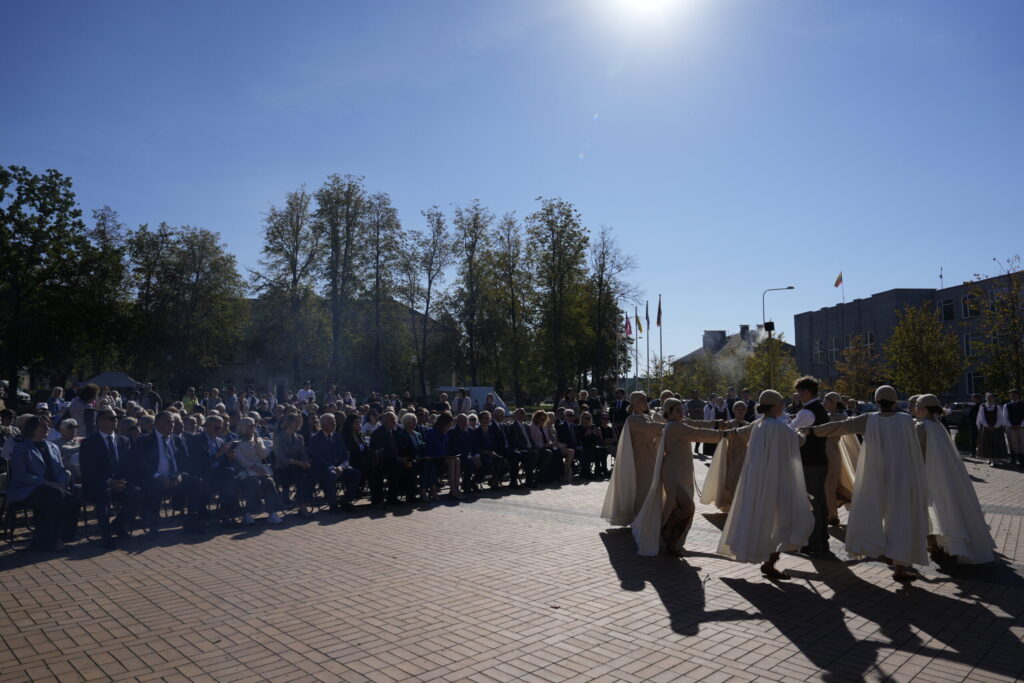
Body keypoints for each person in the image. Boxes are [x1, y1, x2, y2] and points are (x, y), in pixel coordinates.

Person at [810, 385, 929, 583]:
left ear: (876, 401)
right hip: (902, 477)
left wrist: (813, 431)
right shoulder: (907, 420)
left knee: (870, 511)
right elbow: (920, 445)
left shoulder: (869, 419)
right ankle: (899, 564)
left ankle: (876, 547)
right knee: (901, 518)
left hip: (874, 475)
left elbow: (841, 427)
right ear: (895, 401)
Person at [717, 391, 814, 580]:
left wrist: (731, 431)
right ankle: (770, 562)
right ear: (774, 406)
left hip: (759, 481)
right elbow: (799, 441)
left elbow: (741, 432)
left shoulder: (758, 424)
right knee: (788, 519)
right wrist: (802, 431)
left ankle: (768, 560)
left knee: (768, 519)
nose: (783, 406)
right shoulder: (779, 426)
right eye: (781, 403)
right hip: (778, 481)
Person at [633, 398, 722, 556]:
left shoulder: (675, 425)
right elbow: (699, 434)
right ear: (669, 412)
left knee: (679, 507)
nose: (682, 413)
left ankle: (672, 540)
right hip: (673, 472)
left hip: (679, 470)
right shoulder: (674, 427)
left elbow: (695, 425)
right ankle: (666, 530)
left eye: (683, 409)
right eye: (678, 410)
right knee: (688, 507)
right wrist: (727, 434)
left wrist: (716, 424)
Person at [913, 394, 995, 564]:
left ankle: (936, 546)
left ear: (926, 409)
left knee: (929, 510)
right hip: (944, 475)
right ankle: (949, 544)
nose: (916, 410)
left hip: (929, 475)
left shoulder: (921, 426)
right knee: (948, 507)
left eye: (919, 407)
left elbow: (917, 453)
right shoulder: (937, 425)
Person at [8, 416, 80, 551]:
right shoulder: (21, 448)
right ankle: (54, 540)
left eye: (47, 425)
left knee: (73, 499)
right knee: (55, 496)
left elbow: (60, 469)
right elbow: (21, 475)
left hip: (53, 488)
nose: (47, 429)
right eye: (42, 426)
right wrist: (46, 483)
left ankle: (63, 537)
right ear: (32, 429)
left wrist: (61, 482)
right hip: (29, 488)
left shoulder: (53, 446)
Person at [601, 391, 667, 526]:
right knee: (642, 487)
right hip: (639, 457)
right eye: (642, 400)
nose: (645, 402)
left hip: (651, 455)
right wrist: (667, 425)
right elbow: (649, 428)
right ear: (634, 403)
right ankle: (639, 518)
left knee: (651, 486)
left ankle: (649, 515)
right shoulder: (632, 419)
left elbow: (656, 430)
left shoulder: (647, 417)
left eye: (645, 399)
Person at [130, 411, 199, 536]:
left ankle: (191, 521)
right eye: (169, 422)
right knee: (154, 484)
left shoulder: (177, 440)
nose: (172, 425)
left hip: (175, 477)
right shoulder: (144, 441)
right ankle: (153, 525)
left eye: (173, 422)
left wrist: (180, 474)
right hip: (154, 478)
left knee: (195, 482)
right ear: (157, 424)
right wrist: (160, 477)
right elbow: (141, 465)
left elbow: (185, 463)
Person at [79, 408, 140, 547]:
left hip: (121, 482)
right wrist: (109, 482)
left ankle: (118, 525)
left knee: (138, 493)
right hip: (99, 484)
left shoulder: (124, 441)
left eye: (116, 418)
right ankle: (106, 536)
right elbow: (88, 470)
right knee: (104, 494)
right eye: (112, 418)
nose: (116, 421)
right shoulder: (89, 443)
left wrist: (124, 480)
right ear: (100, 421)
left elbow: (130, 465)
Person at [786, 376, 831, 556]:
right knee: (819, 500)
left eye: (799, 392)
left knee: (813, 502)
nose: (797, 396)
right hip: (820, 460)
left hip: (810, 462)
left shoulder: (807, 412)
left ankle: (816, 542)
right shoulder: (819, 409)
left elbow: (790, 432)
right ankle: (821, 539)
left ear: (806, 392)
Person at [701, 400, 750, 512]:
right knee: (730, 480)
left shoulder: (749, 425)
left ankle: (738, 505)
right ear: (733, 410)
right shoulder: (728, 424)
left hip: (744, 455)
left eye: (743, 409)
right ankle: (729, 504)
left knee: (742, 480)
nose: (740, 411)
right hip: (730, 455)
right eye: (738, 408)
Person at [233, 417, 284, 525]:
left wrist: (257, 443)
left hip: (260, 469)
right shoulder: (237, 442)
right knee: (254, 483)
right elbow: (241, 460)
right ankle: (248, 513)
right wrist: (254, 467)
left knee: (269, 482)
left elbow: (263, 455)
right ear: (243, 428)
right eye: (250, 426)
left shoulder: (258, 440)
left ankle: (272, 513)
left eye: (254, 426)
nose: (253, 428)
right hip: (245, 471)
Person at [308, 413, 361, 512]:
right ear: (323, 424)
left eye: (334, 422)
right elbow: (316, 457)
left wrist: (341, 466)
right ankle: (332, 504)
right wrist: (331, 467)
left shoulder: (338, 436)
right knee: (331, 475)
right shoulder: (315, 438)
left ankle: (346, 501)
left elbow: (346, 455)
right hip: (324, 468)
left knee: (355, 473)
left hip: (340, 467)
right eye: (331, 423)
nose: (334, 425)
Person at [822, 392, 856, 526]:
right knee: (830, 484)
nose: (823, 403)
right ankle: (832, 512)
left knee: (831, 484)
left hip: (832, 452)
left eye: (826, 400)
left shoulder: (841, 417)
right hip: (824, 452)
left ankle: (832, 515)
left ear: (834, 402)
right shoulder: (826, 416)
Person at [273, 413, 313, 518]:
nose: (298, 423)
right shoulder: (278, 437)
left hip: (297, 468)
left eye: (299, 421)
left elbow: (303, 454)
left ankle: (301, 502)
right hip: (282, 469)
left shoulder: (300, 438)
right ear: (289, 422)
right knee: (301, 478)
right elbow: (281, 458)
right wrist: (298, 463)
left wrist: (306, 462)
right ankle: (303, 508)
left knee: (312, 475)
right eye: (296, 421)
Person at [372, 411, 416, 506]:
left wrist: (406, 458)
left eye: (394, 419)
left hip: (396, 460)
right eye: (390, 420)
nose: (393, 422)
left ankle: (411, 496)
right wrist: (399, 459)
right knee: (397, 466)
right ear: (383, 421)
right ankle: (392, 498)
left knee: (412, 464)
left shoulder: (395, 433)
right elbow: (382, 451)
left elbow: (401, 448)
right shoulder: (378, 433)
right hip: (383, 462)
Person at [424, 412, 461, 499]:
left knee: (456, 459)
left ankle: (456, 487)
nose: (449, 426)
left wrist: (447, 455)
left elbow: (445, 449)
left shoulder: (445, 433)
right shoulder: (431, 432)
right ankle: (452, 489)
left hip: (443, 458)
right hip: (433, 458)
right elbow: (429, 448)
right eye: (448, 424)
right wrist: (442, 455)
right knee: (452, 461)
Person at [398, 412, 432, 502]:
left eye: (415, 421)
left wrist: (425, 455)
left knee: (429, 466)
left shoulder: (418, 434)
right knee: (414, 468)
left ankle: (425, 490)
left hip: (420, 459)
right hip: (410, 460)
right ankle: (412, 495)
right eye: (413, 421)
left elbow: (422, 447)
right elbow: (402, 450)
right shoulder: (401, 435)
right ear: (407, 422)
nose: (415, 422)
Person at [474, 411, 509, 489]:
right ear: (480, 420)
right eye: (486, 418)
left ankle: (494, 480)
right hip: (482, 454)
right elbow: (477, 447)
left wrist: (493, 452)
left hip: (492, 453)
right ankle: (475, 481)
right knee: (489, 463)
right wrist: (487, 452)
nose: (488, 419)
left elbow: (494, 443)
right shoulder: (477, 432)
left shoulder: (491, 430)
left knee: (504, 462)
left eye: (489, 418)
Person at [977, 393, 1009, 467]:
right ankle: (990, 459)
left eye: (991, 397)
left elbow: (1001, 417)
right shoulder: (983, 408)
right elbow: (982, 418)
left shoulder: (997, 407)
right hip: (987, 428)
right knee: (988, 443)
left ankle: (997, 459)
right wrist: (987, 426)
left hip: (996, 428)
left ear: (994, 398)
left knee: (996, 443)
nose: (990, 399)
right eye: (988, 397)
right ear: (986, 399)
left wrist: (996, 426)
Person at [578, 411, 609, 479]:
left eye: (589, 418)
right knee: (590, 451)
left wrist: (595, 434)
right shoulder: (579, 427)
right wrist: (586, 434)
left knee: (602, 450)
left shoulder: (592, 427)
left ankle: (602, 470)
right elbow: (580, 439)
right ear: (582, 418)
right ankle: (587, 472)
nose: (588, 419)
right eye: (586, 418)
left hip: (592, 445)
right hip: (583, 446)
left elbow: (595, 440)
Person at [1005, 390, 1024, 467]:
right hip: (1012, 427)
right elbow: (1005, 417)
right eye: (1012, 395)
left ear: (1018, 396)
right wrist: (1011, 425)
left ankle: (1022, 460)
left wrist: (1021, 425)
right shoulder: (1007, 405)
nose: (1013, 396)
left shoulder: (1023, 404)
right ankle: (1016, 460)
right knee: (1014, 444)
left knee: (1023, 443)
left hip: (1022, 427)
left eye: (1015, 395)